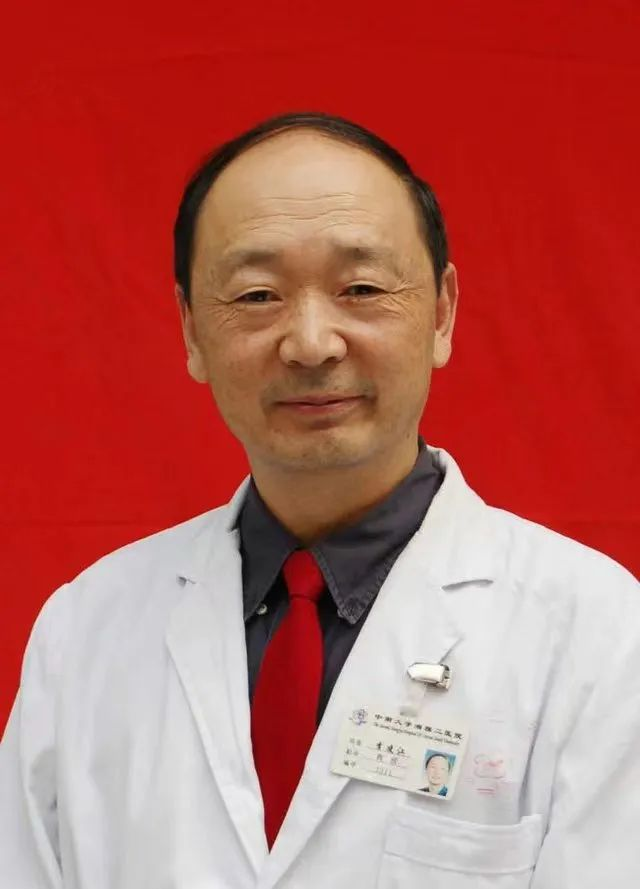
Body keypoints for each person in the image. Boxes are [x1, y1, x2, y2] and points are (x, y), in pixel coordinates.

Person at [1, 110, 639, 889]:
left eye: (360, 288)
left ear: (442, 311)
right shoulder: (86, 631)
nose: (310, 342)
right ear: (192, 331)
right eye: (257, 294)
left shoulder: (599, 634)